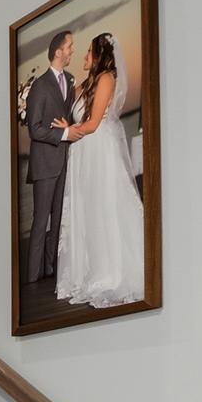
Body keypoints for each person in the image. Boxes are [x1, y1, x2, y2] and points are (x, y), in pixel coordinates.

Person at [54, 31, 147, 307]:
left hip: (97, 149)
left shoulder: (106, 78)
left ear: (98, 55)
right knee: (85, 208)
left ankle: (111, 271)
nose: (83, 57)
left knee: (103, 206)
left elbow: (93, 123)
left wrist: (68, 131)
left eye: (88, 52)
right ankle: (84, 272)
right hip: (82, 152)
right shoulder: (82, 85)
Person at [21, 29, 74, 283]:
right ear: (58, 52)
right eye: (69, 46)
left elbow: (68, 120)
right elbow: (35, 128)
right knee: (41, 222)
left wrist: (70, 128)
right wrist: (63, 135)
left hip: (64, 162)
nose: (72, 50)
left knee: (59, 217)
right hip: (44, 164)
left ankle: (50, 272)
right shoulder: (40, 86)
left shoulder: (71, 81)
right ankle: (32, 279)